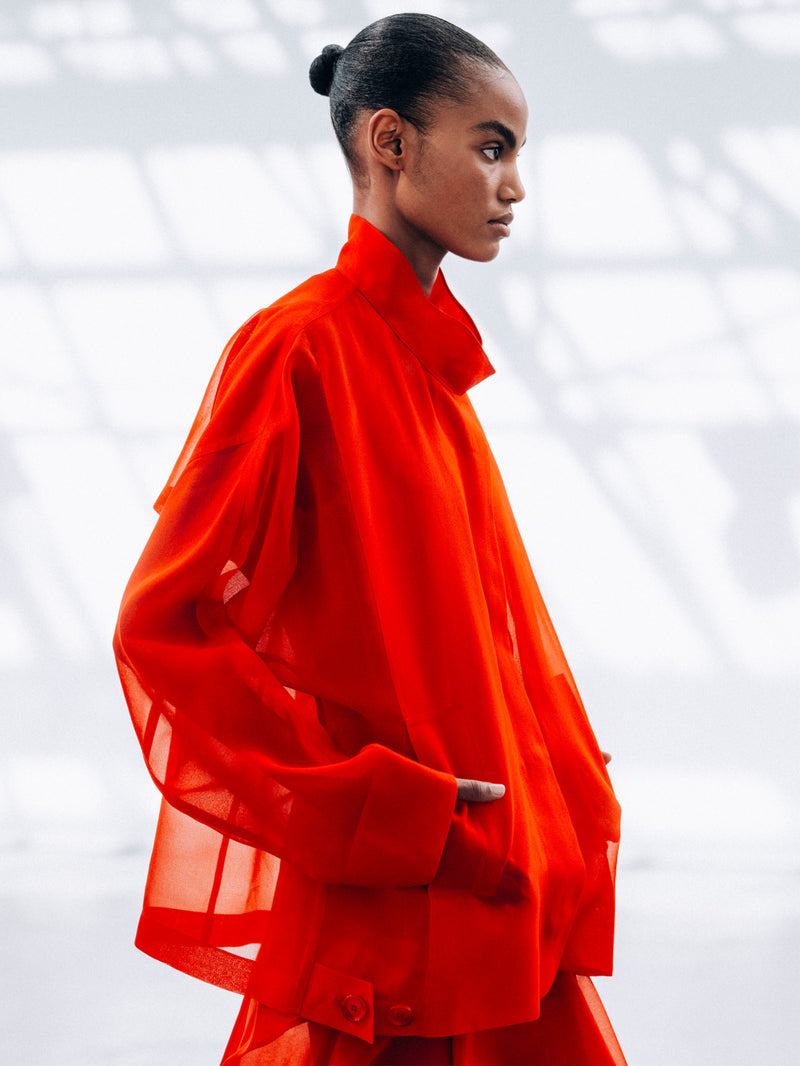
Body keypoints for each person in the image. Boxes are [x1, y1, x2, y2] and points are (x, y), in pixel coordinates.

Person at [113, 13, 626, 1066]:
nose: (515, 186)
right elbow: (163, 627)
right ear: (391, 141)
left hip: (493, 870)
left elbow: (472, 638)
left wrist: (551, 766)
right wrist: (370, 804)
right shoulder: (298, 350)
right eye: (491, 147)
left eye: (516, 152)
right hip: (401, 895)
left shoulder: (434, 372)